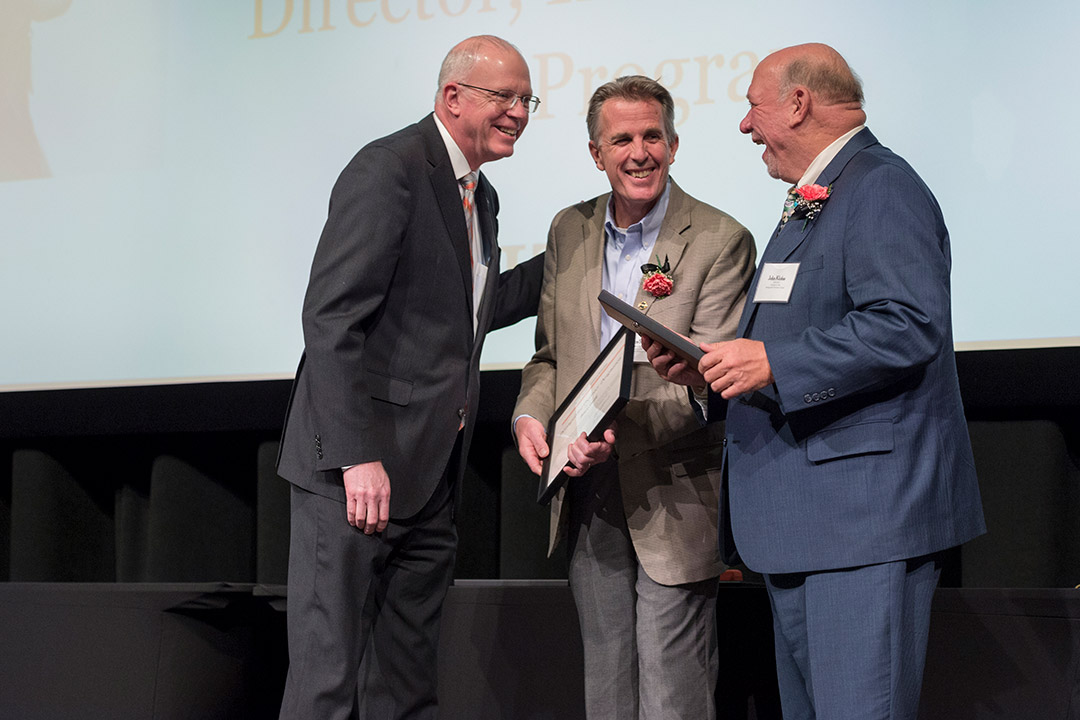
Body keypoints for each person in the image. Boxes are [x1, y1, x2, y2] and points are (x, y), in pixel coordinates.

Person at [645, 43, 986, 719]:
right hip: (809, 520)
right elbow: (805, 330)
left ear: (798, 103)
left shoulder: (882, 185)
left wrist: (773, 364)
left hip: (859, 523)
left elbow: (908, 324)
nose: (745, 126)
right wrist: (717, 372)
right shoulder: (813, 198)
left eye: (752, 105)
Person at [275, 35, 544, 720]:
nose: (518, 111)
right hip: (354, 477)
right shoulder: (389, 169)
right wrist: (355, 454)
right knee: (327, 686)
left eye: (526, 100)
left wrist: (578, 250)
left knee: (405, 690)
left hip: (428, 482)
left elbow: (473, 313)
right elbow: (331, 317)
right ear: (453, 98)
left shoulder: (481, 199)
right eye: (504, 97)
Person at [514, 75, 756, 720]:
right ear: (597, 154)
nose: (638, 152)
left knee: (672, 692)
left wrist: (612, 427)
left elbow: (713, 375)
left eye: (652, 135)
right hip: (585, 487)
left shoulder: (719, 239)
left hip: (675, 487)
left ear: (674, 145)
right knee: (607, 688)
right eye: (621, 139)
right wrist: (533, 415)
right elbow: (549, 356)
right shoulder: (570, 228)